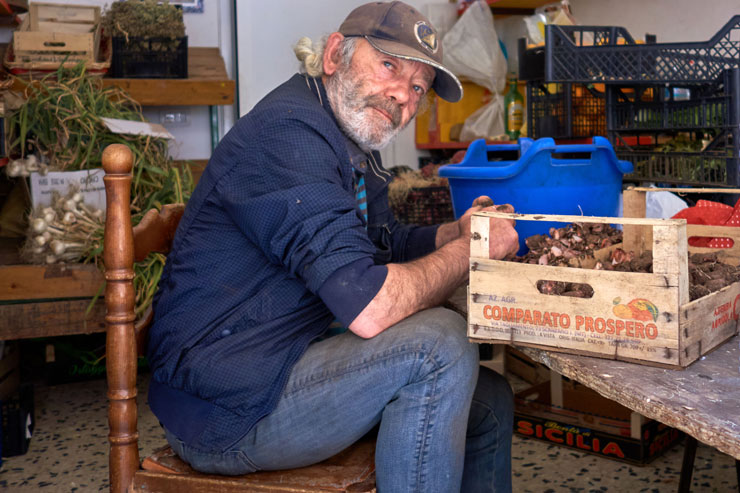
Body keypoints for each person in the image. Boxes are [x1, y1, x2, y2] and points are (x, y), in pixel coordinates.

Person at [146, 2, 520, 491]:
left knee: (490, 402)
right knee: (440, 345)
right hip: (228, 405)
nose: (401, 95)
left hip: (282, 359)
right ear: (334, 55)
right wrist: (470, 253)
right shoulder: (289, 134)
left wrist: (452, 236)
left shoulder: (351, 144)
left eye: (418, 87)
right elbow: (368, 307)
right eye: (389, 65)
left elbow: (380, 247)